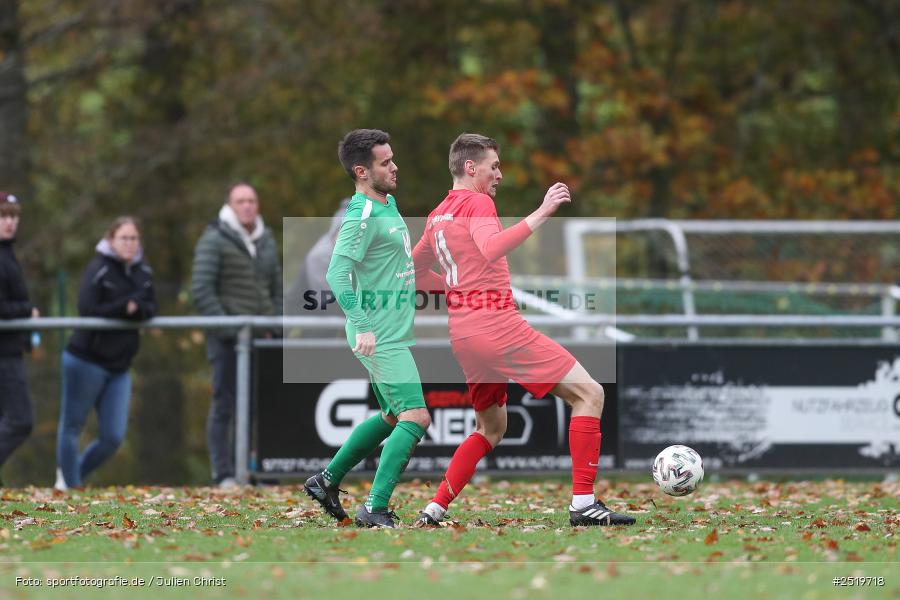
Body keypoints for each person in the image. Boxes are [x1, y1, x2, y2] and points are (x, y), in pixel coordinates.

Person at [411, 133, 635, 527]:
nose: (499, 174)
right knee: (590, 393)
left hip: (464, 335)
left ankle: (435, 506)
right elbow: (492, 248)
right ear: (471, 168)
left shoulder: (437, 215)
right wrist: (543, 211)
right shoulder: (478, 202)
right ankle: (583, 503)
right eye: (494, 166)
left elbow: (412, 274)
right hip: (497, 326)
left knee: (491, 427)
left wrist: (454, 289)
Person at [303, 129, 432, 528]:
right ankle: (374, 507)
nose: (394, 167)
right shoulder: (359, 215)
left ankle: (326, 482)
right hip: (378, 334)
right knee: (416, 417)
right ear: (362, 171)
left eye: (392, 158)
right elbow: (336, 274)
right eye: (385, 162)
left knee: (394, 418)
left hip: (390, 331)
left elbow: (395, 266)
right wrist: (362, 324)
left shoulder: (387, 204)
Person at [191, 182, 283, 488]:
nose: (247, 206)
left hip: (262, 339)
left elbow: (276, 288)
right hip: (227, 340)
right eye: (241, 201)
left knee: (259, 407)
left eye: (252, 201)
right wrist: (231, 328)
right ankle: (225, 474)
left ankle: (256, 471)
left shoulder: (266, 240)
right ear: (230, 205)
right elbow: (202, 290)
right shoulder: (214, 239)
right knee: (225, 404)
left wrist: (275, 323)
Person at [56, 217, 156, 489]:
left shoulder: (143, 272)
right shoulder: (98, 269)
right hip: (86, 360)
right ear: (111, 240)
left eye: (134, 238)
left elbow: (150, 306)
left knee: (113, 437)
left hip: (119, 367)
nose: (129, 244)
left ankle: (71, 475)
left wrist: (139, 309)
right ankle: (71, 490)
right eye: (124, 238)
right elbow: (87, 309)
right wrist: (125, 307)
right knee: (72, 427)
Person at [0, 193, 38, 485]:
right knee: (20, 420)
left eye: (13, 216)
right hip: (4, 353)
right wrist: (28, 312)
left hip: (11, 348)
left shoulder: (7, 253)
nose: (10, 222)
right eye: (3, 216)